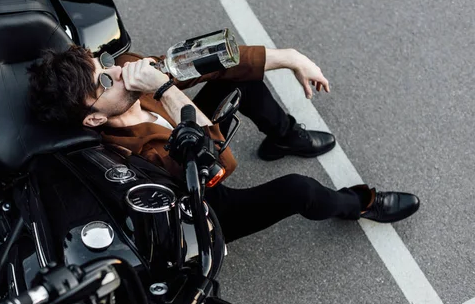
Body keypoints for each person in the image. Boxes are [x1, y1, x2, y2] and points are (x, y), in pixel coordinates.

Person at [27, 44, 419, 243]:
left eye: (103, 63)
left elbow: (203, 59)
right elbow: (217, 158)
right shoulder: (133, 155)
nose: (118, 70)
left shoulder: (124, 75)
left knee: (237, 79)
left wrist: (290, 58)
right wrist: (163, 89)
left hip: (196, 143)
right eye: (105, 81)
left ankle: (281, 136)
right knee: (300, 190)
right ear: (95, 118)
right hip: (203, 204)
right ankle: (359, 204)